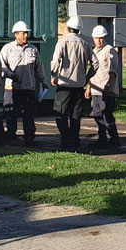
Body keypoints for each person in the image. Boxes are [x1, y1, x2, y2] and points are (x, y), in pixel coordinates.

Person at [0, 20, 46, 146]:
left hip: (28, 87)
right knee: (11, 113)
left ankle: (29, 138)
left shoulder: (33, 49)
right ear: (16, 34)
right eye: (23, 33)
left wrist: (44, 82)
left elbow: (39, 67)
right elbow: (1, 66)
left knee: (29, 115)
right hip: (11, 88)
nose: (26, 35)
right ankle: (11, 137)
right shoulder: (7, 49)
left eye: (27, 33)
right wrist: (10, 75)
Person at [49, 15, 90, 152]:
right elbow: (95, 64)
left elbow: (55, 61)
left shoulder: (62, 42)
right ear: (79, 29)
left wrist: (54, 76)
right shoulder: (85, 44)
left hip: (65, 85)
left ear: (67, 28)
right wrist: (87, 77)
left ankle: (65, 140)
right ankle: (74, 141)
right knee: (75, 116)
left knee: (60, 114)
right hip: (79, 85)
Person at [86, 24, 121, 148]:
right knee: (98, 115)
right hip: (95, 88)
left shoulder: (109, 50)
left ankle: (114, 139)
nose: (98, 40)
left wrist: (109, 85)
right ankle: (102, 139)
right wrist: (89, 87)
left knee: (107, 115)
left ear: (105, 37)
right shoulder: (93, 52)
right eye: (96, 38)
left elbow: (113, 71)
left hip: (106, 89)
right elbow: (93, 71)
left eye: (101, 38)